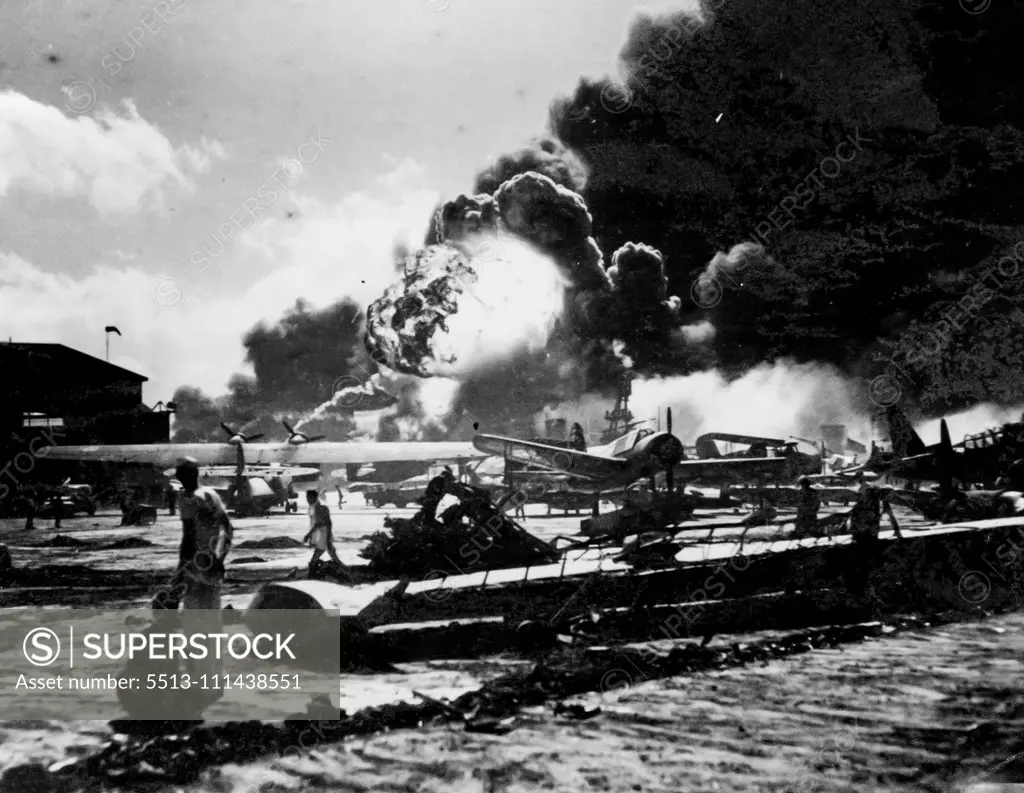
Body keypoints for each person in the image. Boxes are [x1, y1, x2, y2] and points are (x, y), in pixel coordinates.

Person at [303, 489, 345, 577]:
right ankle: (346, 573)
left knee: (314, 561)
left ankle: (312, 578)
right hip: (324, 536)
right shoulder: (314, 508)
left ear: (313, 498)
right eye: (307, 498)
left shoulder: (319, 508)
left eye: (308, 498)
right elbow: (318, 524)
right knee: (334, 559)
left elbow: (325, 523)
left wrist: (309, 534)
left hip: (325, 537)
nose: (307, 500)